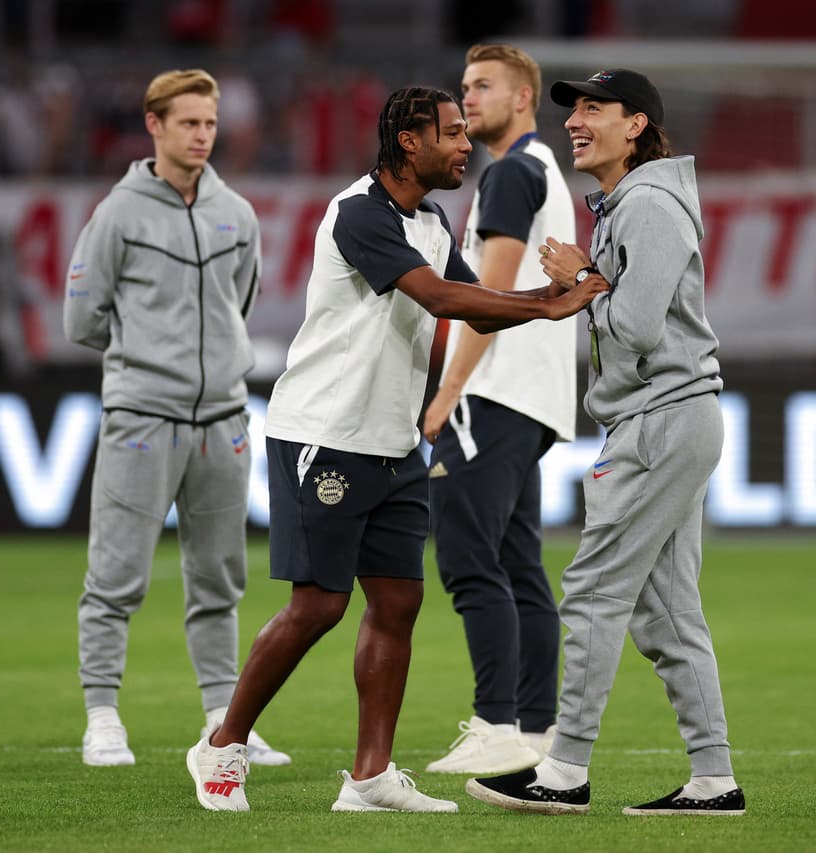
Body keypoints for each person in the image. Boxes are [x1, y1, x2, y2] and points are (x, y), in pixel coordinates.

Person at [184, 85, 607, 813]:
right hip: (324, 434)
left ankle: (371, 775)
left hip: (392, 441)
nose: (464, 144)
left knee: (400, 600)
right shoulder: (360, 215)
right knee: (318, 604)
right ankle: (222, 745)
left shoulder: (433, 219)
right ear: (408, 142)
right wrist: (550, 303)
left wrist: (549, 292)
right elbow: (442, 301)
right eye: (449, 132)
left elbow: (473, 302)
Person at [466, 69, 745, 816]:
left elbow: (637, 327)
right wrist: (589, 280)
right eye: (574, 109)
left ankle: (563, 771)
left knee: (592, 590)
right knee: (669, 612)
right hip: (671, 416)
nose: (576, 121)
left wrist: (584, 277)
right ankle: (715, 779)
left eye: (595, 108)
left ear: (638, 126)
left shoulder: (649, 204)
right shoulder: (638, 202)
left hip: (659, 417)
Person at [64, 68, 288, 769]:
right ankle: (103, 717)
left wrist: (201, 364)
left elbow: (237, 305)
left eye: (210, 124)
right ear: (153, 124)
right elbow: (81, 318)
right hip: (141, 416)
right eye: (188, 122)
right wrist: (148, 364)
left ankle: (225, 721)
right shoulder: (117, 214)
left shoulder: (238, 212)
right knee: (115, 574)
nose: (202, 136)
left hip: (223, 415)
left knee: (220, 577)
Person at [422, 44, 577, 776]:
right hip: (536, 396)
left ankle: (495, 724)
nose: (467, 99)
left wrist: (446, 394)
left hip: (494, 392)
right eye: (463, 87)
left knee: (466, 557)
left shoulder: (512, 173)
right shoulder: (543, 170)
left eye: (482, 86)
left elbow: (490, 298)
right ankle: (538, 730)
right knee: (518, 563)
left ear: (523, 98)